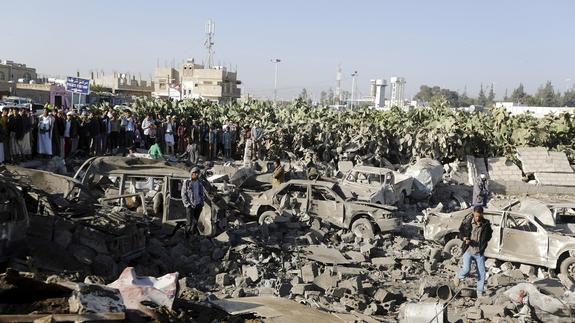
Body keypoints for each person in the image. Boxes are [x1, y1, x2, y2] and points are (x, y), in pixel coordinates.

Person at [453, 206, 493, 297]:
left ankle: (479, 293)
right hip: (468, 250)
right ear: (473, 214)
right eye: (476, 216)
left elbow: (489, 235)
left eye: (479, 216)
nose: (477, 218)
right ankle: (458, 276)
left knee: (482, 273)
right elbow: (460, 231)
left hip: (479, 252)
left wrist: (484, 242)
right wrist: (464, 238)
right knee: (467, 269)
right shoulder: (467, 222)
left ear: (482, 215)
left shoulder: (486, 224)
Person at [181, 167, 205, 236]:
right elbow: (183, 194)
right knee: (189, 222)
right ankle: (186, 236)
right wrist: (187, 204)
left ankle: (193, 235)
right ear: (192, 173)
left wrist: (201, 202)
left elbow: (201, 193)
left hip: (198, 204)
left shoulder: (199, 182)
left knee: (195, 221)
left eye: (198, 173)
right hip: (190, 205)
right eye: (195, 173)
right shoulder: (187, 182)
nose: (196, 175)